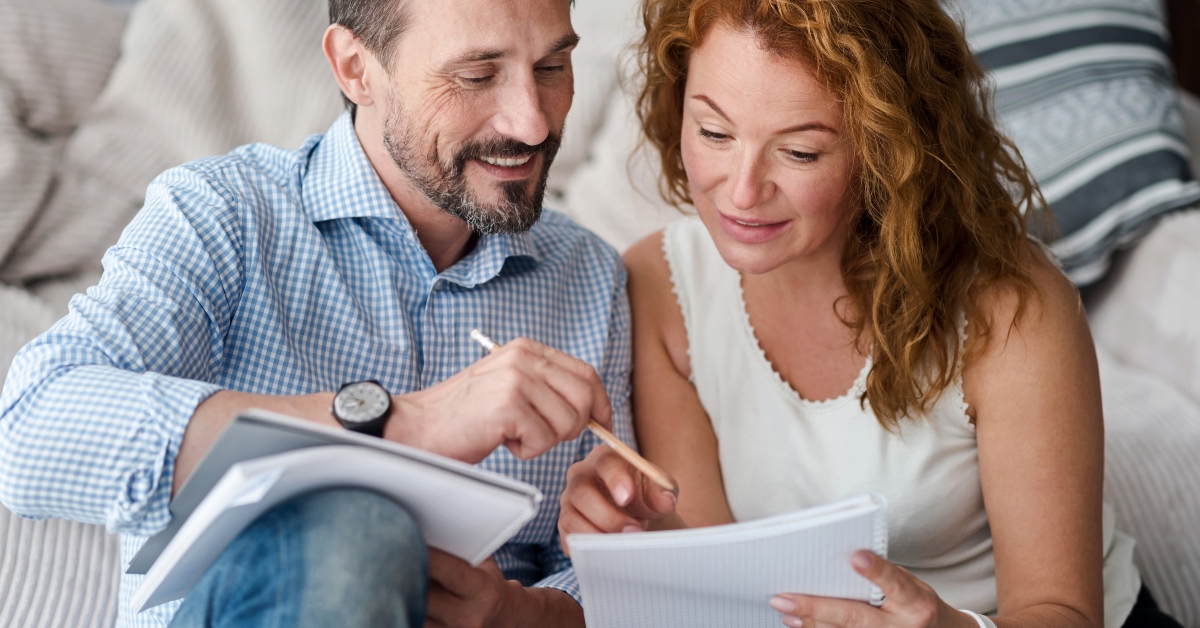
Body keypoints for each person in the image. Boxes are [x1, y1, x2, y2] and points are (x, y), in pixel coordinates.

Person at [0, 0, 629, 627]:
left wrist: (523, 613)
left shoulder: (592, 278)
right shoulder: (224, 214)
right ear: (355, 67)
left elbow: (613, 567)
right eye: (476, 76)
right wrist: (398, 425)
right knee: (352, 526)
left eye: (552, 67)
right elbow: (31, 427)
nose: (533, 123)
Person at [558, 1, 1184, 628]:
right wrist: (638, 531)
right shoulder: (662, 286)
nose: (742, 191)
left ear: (888, 150)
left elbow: (1063, 611)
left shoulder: (1011, 304)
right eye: (714, 133)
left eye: (800, 152)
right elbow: (728, 592)